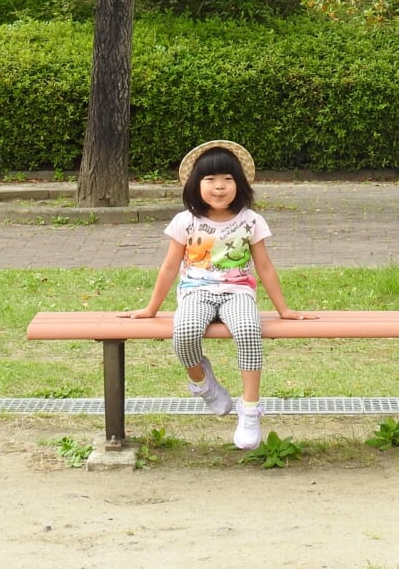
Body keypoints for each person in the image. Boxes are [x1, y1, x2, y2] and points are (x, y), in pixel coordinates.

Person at [118, 139, 312, 450]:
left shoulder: (250, 221)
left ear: (241, 184)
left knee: (249, 330)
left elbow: (264, 266)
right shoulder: (185, 221)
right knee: (184, 332)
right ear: (196, 184)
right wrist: (151, 308)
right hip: (197, 292)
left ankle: (249, 409)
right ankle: (202, 383)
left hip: (237, 293)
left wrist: (284, 309)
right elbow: (169, 268)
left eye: (227, 179)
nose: (219, 187)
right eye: (210, 179)